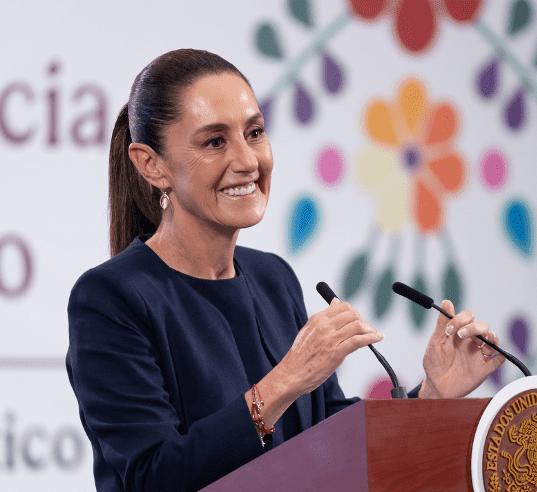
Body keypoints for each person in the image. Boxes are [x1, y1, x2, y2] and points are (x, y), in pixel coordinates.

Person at [66, 49, 504, 492]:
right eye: (215, 141)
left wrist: (431, 396)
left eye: (254, 133)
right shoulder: (109, 299)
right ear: (151, 165)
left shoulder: (273, 278)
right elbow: (152, 476)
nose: (247, 161)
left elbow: (331, 442)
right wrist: (286, 381)